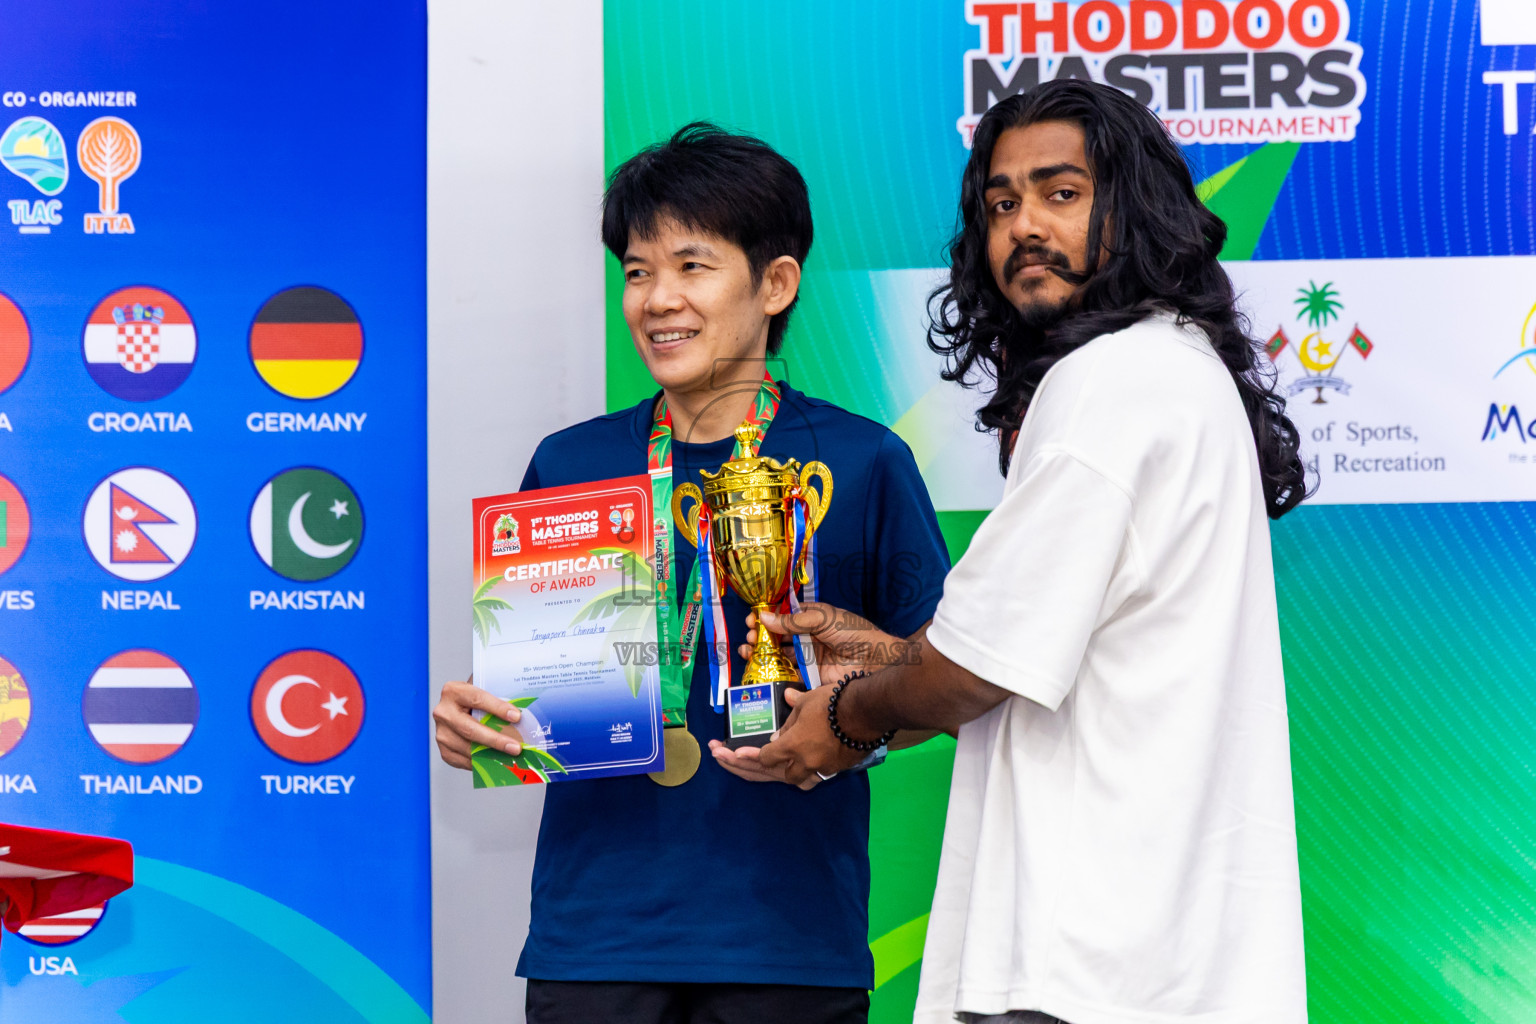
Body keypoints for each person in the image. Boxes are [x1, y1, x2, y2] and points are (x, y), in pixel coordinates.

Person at [755, 80, 1311, 1024]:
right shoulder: (1173, 369)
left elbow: (971, 674)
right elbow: (1063, 652)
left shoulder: (1112, 382)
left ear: (1132, 208)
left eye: (1061, 192)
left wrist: (848, 719)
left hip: (1086, 963)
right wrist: (897, 656)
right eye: (1001, 204)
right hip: (1159, 961)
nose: (1022, 227)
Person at [432, 123, 950, 1024]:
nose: (657, 299)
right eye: (637, 271)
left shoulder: (864, 461)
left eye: (691, 265)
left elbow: (939, 687)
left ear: (775, 283)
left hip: (789, 941)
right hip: (595, 940)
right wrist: (483, 719)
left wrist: (850, 723)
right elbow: (543, 687)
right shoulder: (571, 464)